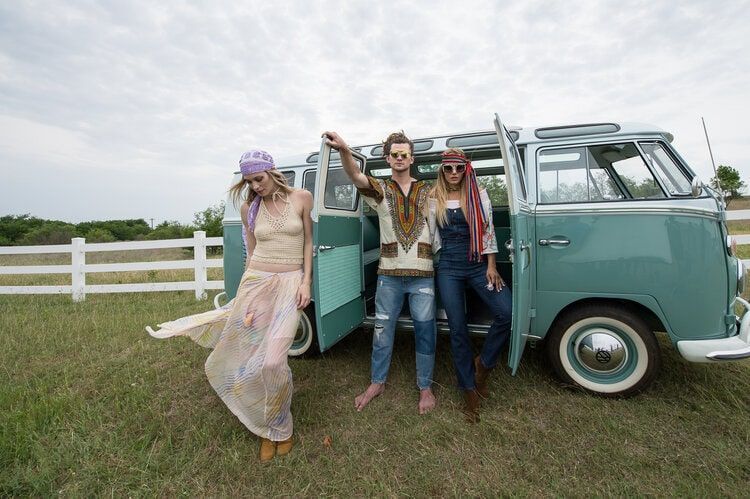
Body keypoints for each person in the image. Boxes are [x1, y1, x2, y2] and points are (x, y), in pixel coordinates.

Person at [146, 149, 313, 462]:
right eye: (249, 181)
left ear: (272, 172)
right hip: (257, 285)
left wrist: (305, 282)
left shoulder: (302, 197)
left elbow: (307, 243)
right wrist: (245, 300)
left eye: (259, 179)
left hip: (290, 285)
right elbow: (250, 256)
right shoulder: (250, 206)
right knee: (250, 356)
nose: (256, 186)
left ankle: (282, 426)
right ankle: (269, 428)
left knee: (273, 361)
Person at [323, 130, 437, 415]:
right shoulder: (381, 190)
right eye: (394, 155)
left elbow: (456, 197)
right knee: (382, 329)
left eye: (404, 154)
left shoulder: (429, 191)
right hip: (389, 275)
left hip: (423, 274)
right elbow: (355, 177)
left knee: (425, 329)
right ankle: (377, 382)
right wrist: (344, 150)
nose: (399, 159)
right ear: (388, 159)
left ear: (412, 158)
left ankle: (425, 386)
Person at [428, 148, 511, 423]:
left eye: (458, 168)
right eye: (448, 168)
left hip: (477, 263)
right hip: (448, 267)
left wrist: (491, 266)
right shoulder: (433, 198)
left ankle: (482, 365)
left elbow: (487, 230)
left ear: (466, 169)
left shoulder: (479, 194)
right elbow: (426, 233)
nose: (453, 173)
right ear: (442, 170)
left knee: (506, 312)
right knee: (458, 329)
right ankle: (469, 390)